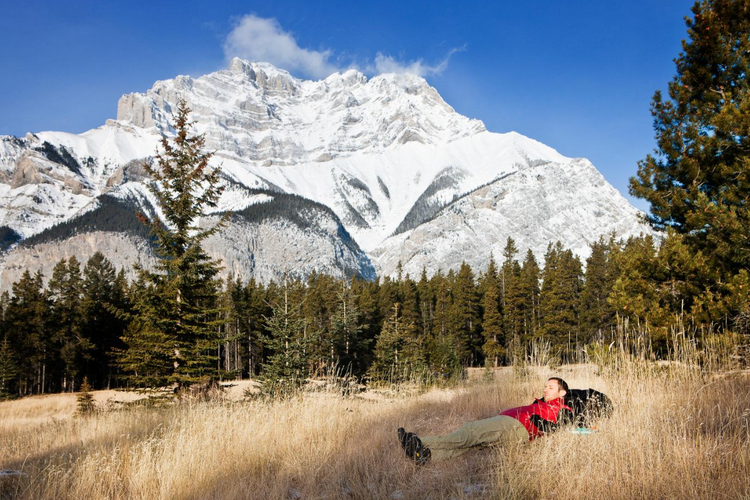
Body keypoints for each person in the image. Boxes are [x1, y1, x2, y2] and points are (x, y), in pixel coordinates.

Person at [398, 377, 573, 464]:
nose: (545, 389)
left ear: (562, 393)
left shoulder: (562, 408)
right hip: (514, 426)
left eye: (550, 387)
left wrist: (537, 422)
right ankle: (426, 456)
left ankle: (418, 441)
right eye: (545, 386)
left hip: (515, 425)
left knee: (471, 432)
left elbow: (561, 425)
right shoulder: (544, 404)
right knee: (471, 445)